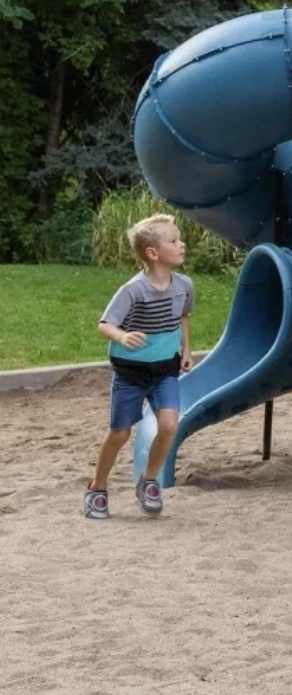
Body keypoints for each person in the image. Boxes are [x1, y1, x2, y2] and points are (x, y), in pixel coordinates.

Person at [85, 215, 195, 519]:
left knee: (170, 425)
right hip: (130, 375)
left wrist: (186, 348)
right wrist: (122, 335)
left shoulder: (184, 286)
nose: (182, 244)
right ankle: (97, 487)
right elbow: (105, 324)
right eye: (174, 240)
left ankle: (148, 481)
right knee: (119, 434)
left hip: (165, 371)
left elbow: (183, 317)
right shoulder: (133, 290)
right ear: (153, 253)